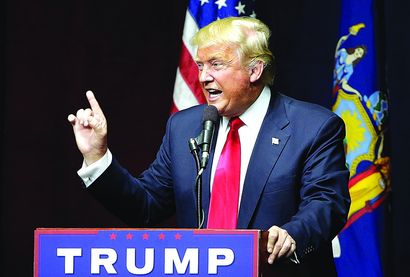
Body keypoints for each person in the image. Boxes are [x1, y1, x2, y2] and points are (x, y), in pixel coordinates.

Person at [68, 17, 350, 276]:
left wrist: (292, 235)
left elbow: (326, 202)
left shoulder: (313, 126)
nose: (203, 77)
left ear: (254, 70)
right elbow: (147, 206)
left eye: (216, 64)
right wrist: (97, 157)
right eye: (200, 66)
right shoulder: (184, 127)